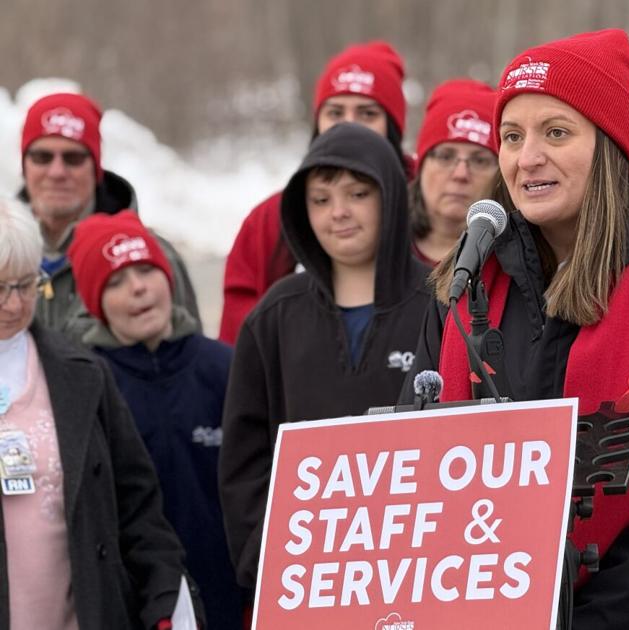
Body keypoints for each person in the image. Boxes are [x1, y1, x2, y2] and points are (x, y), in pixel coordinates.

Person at [410, 28, 629, 630]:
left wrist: (587, 621)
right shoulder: (466, 285)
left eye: (556, 132)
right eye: (512, 136)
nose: (527, 158)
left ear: (609, 146)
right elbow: (417, 479)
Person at [219, 122, 429, 589]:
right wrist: (265, 562)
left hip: (417, 574)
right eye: (321, 199)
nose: (339, 213)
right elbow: (244, 463)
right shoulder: (274, 316)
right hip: (305, 579)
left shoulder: (444, 305)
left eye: (357, 194)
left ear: (391, 198)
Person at [0, 199, 201, 629]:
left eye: (25, 285)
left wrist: (164, 596)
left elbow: (138, 504)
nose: (14, 305)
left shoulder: (82, 372)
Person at [66, 210, 245, 629]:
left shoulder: (224, 367)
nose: (138, 288)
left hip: (230, 593)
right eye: (116, 281)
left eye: (146, 269)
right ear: (96, 304)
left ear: (168, 276)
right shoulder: (89, 383)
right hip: (136, 604)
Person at [219, 41, 409, 344]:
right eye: (335, 112)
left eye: (367, 114)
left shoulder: (423, 206)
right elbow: (240, 335)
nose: (349, 125)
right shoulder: (272, 217)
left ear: (393, 127)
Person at [18, 92, 200, 343]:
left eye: (73, 158)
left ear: (96, 167)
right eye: (42, 157)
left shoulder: (151, 259)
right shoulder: (6, 254)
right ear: (24, 165)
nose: (57, 172)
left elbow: (187, 364)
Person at [410, 78, 498, 265]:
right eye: (445, 157)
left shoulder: (518, 265)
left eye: (479, 160)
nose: (460, 174)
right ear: (421, 164)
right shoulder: (380, 246)